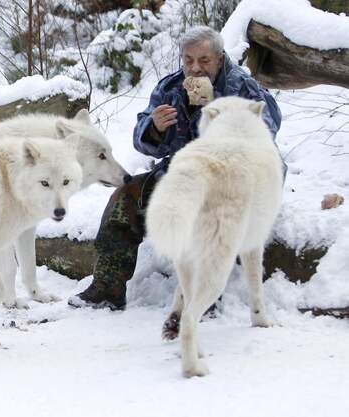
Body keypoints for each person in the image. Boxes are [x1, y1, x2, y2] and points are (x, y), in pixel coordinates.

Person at [68, 26, 283, 310]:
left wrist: (220, 115)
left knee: (207, 210)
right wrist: (154, 128)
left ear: (219, 58)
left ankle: (203, 296)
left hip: (232, 182)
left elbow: (269, 129)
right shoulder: (170, 88)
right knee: (125, 198)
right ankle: (107, 287)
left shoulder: (244, 88)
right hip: (181, 175)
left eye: (204, 61)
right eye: (188, 60)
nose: (195, 68)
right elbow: (141, 141)